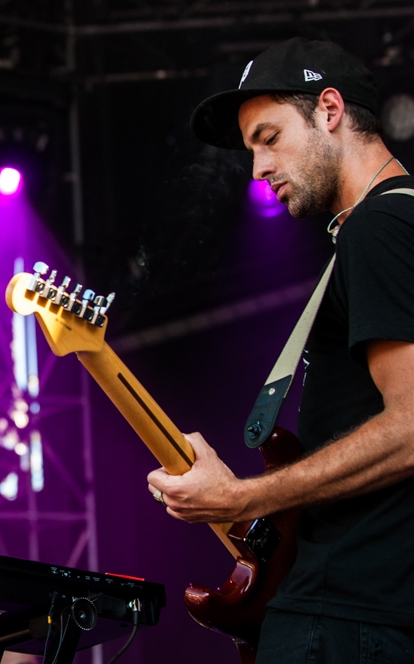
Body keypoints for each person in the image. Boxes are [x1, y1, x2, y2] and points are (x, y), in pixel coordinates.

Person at [145, 38, 414, 661]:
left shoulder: (382, 226)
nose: (258, 168)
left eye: (269, 137)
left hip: (350, 615)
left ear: (328, 110)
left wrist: (241, 498)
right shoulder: (377, 229)